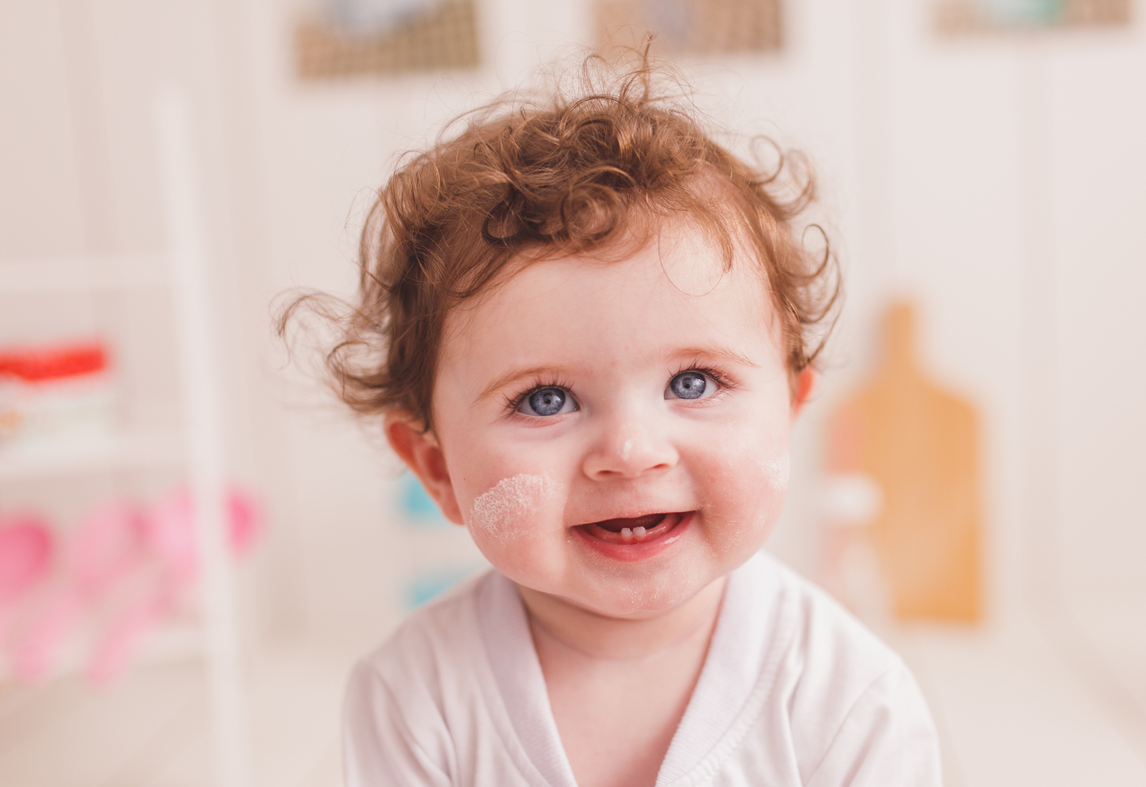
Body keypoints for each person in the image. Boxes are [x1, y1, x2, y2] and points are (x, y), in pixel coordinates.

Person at [286, 51, 942, 787]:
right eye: (544, 399)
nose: (630, 452)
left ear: (790, 409)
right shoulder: (416, 699)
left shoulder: (850, 705)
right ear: (436, 467)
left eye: (693, 381)